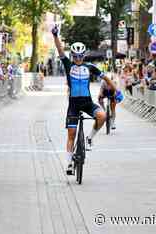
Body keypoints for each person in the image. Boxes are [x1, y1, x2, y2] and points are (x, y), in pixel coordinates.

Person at [51, 25, 116, 175]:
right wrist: (55, 36)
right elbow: (60, 51)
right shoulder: (68, 65)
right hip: (73, 104)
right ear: (72, 55)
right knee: (71, 134)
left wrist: (115, 88)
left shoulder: (90, 66)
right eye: (75, 56)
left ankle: (89, 138)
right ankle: (68, 164)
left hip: (87, 102)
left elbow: (105, 77)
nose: (78, 59)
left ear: (84, 55)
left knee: (102, 116)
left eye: (80, 56)